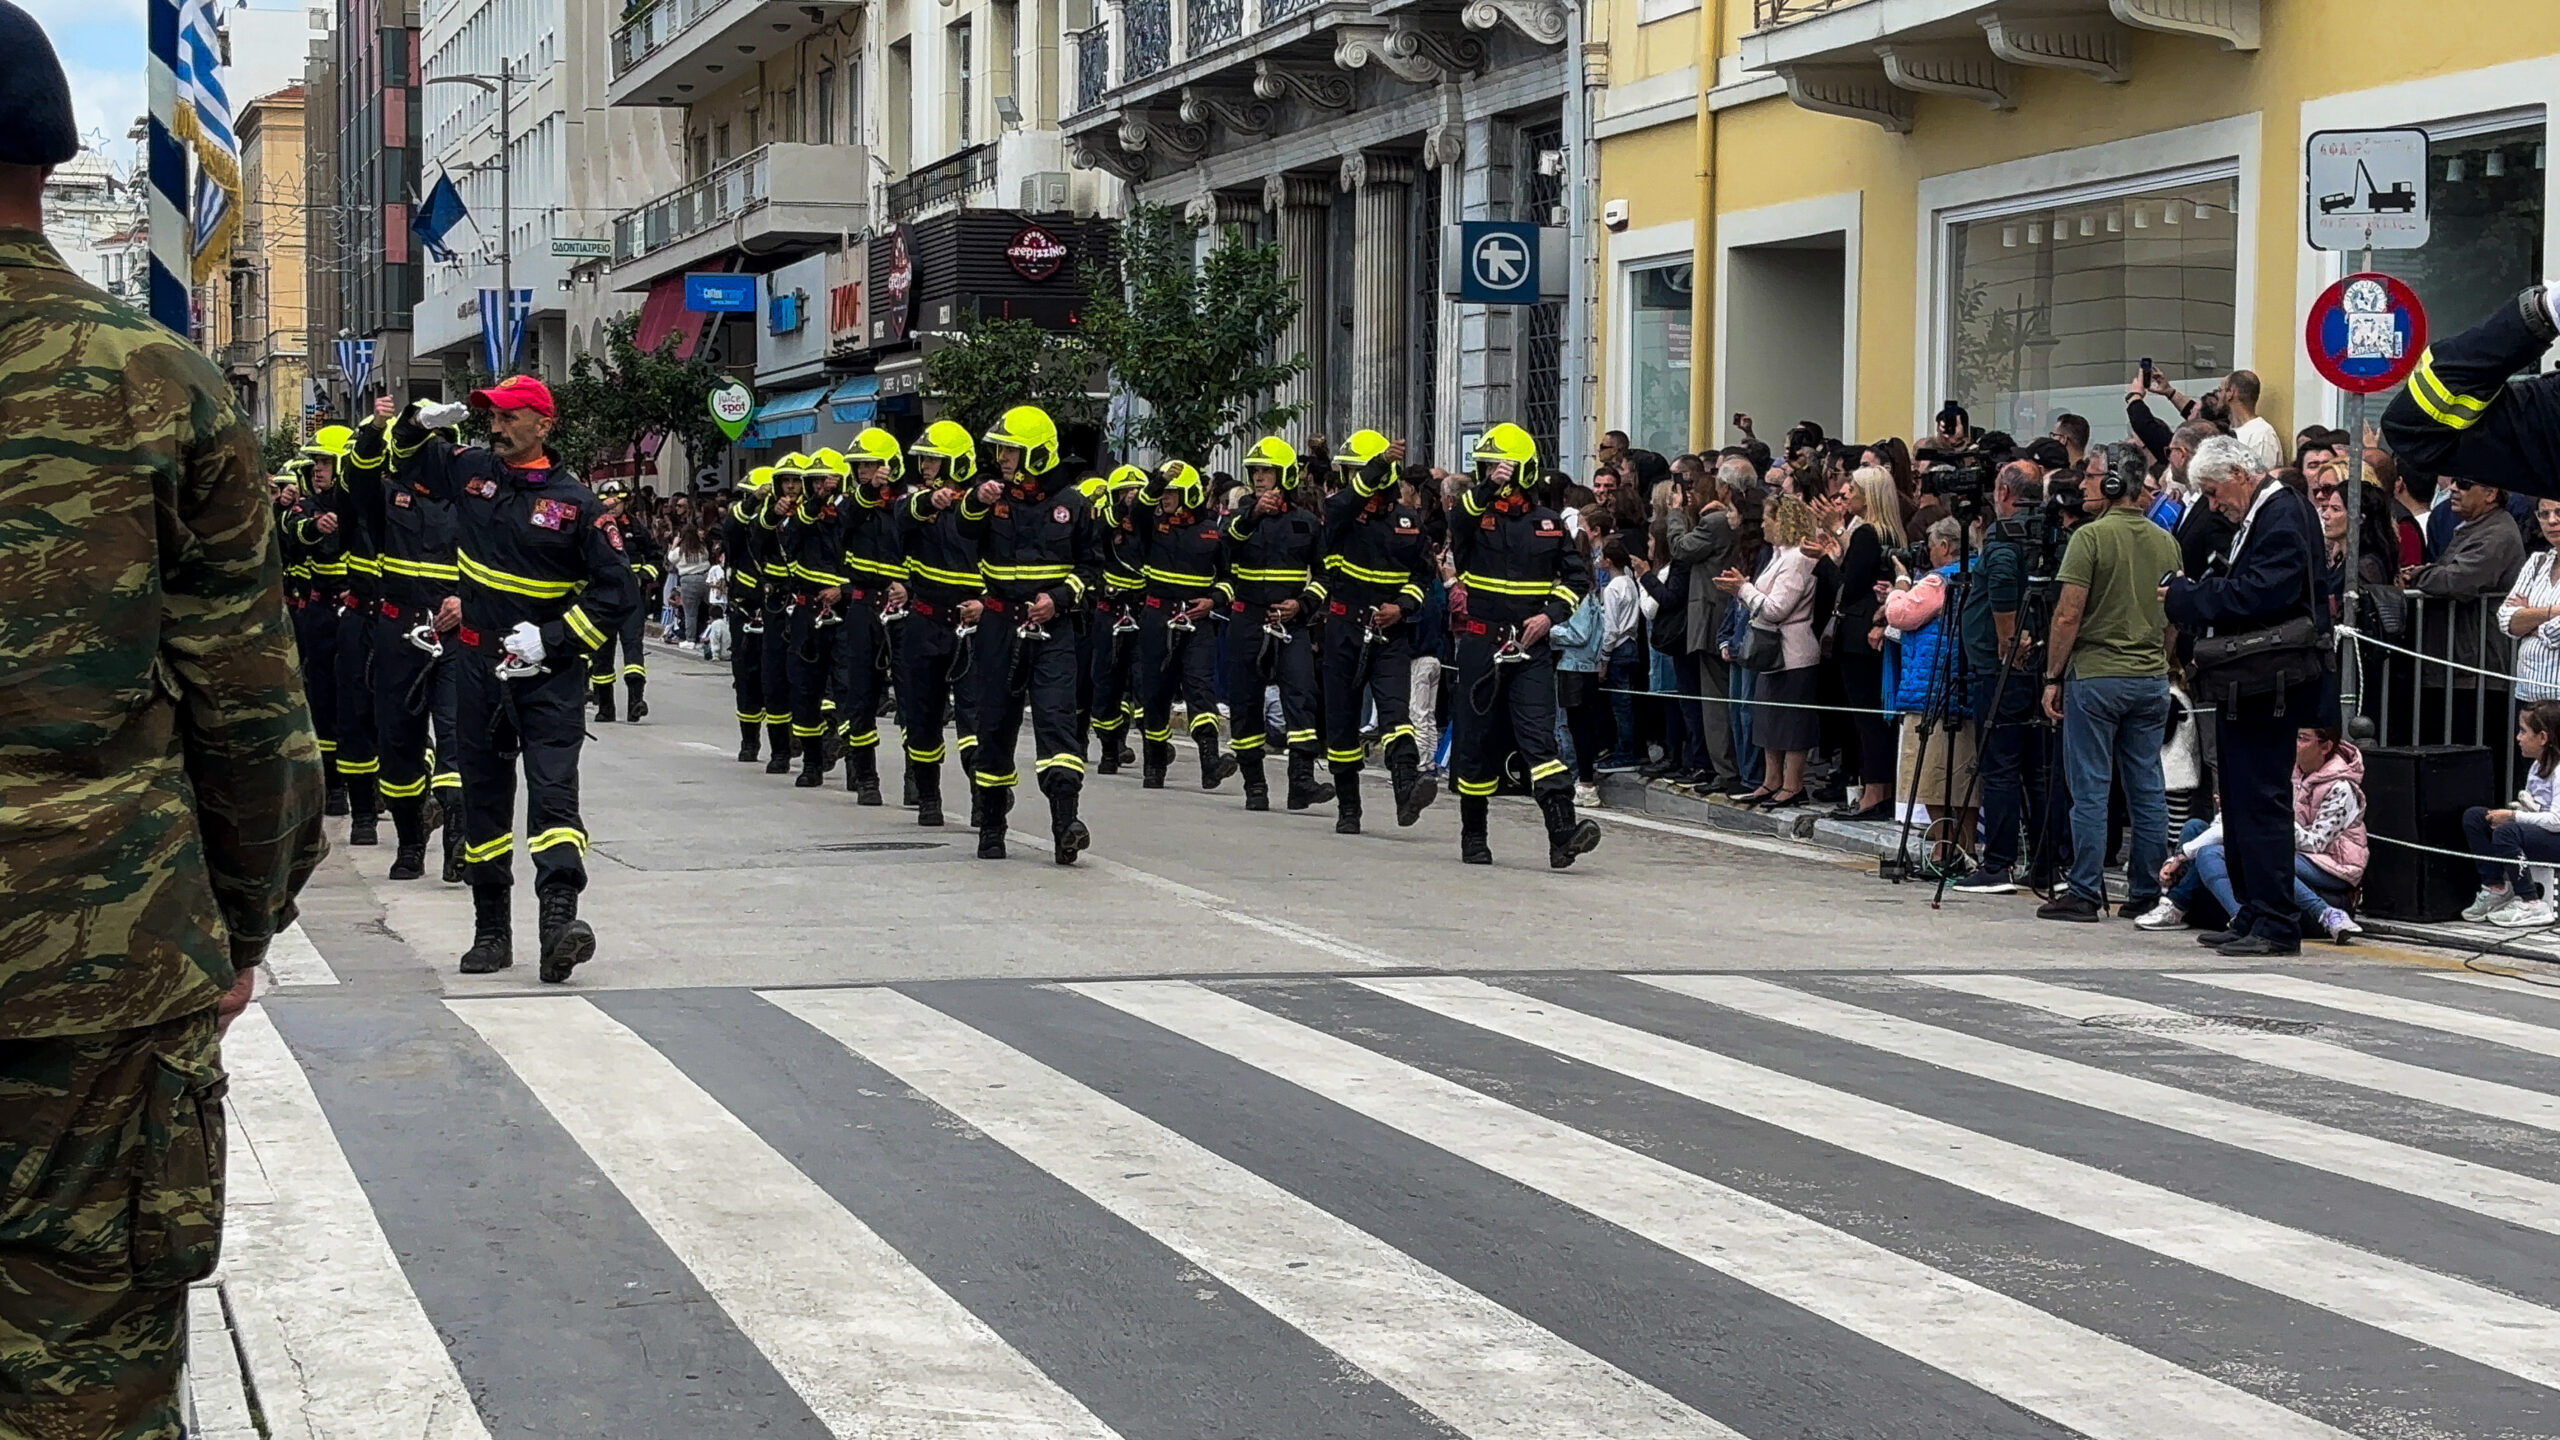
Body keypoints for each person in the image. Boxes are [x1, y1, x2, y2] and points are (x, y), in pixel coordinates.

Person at [1, 22, 329, 1425]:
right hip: (99, 967)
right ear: (56, 152)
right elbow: (252, 713)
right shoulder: (157, 383)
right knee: (83, 1370)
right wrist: (241, 928)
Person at [359, 378, 636, 980]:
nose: (497, 425)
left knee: (554, 796)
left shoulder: (578, 505)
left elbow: (619, 592)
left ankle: (559, 923)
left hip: (547, 676)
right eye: (490, 415)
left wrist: (555, 637)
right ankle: (492, 933)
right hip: (478, 666)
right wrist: (416, 422)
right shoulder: (472, 471)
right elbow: (401, 463)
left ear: (542, 424)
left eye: (509, 416)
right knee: (484, 801)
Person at [2164, 435, 2336, 956]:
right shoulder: (2261, 514)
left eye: (2216, 493)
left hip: (2273, 682)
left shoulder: (2283, 513)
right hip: (2252, 682)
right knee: (2237, 800)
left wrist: (2190, 597)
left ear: (2241, 473)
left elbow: (2265, 591)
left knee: (2261, 800)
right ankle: (2253, 910)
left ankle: (2276, 920)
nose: (2215, 506)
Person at [2039, 443, 2184, 923]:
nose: (2082, 484)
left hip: (2097, 676)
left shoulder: (2089, 538)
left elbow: (2067, 615)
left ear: (2115, 482)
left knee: (2091, 786)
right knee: (2147, 785)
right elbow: (2173, 616)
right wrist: (2158, 662)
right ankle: (2145, 890)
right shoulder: (2167, 540)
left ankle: (2084, 888)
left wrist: (2053, 675)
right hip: (2149, 679)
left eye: (2092, 475)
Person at [1449, 423, 1601, 867]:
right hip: (1481, 645)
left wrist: (1549, 616)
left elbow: (1577, 581)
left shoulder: (1549, 524)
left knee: (1540, 741)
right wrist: (1486, 486)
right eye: (1484, 468)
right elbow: (1459, 517)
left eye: (1496, 468)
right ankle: (1473, 835)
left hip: (1530, 649)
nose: (1489, 474)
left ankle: (1563, 835)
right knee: (1477, 742)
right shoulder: (1473, 517)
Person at [956, 406, 1100, 862]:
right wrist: (976, 501)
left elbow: (1092, 569)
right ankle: (992, 826)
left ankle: (1066, 825)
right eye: (1000, 449)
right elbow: (963, 530)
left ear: (1037, 454)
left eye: (1012, 451)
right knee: (994, 723)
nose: (1003, 458)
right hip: (1000, 624)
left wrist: (1058, 598)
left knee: (1058, 722)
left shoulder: (1074, 505)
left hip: (1053, 629)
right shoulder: (991, 498)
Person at [340, 399, 464, 882]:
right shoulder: (387, 495)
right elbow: (357, 475)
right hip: (398, 631)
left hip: (453, 634)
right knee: (398, 742)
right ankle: (411, 841)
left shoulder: (471, 503)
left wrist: (467, 601)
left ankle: (458, 840)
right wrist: (376, 427)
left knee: (455, 739)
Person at [1316, 430, 1438, 833]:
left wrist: (1400, 607)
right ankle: (1349, 808)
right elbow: (1347, 500)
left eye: (1354, 471)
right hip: (1343, 627)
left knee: (1395, 713)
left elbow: (1422, 578)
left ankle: (1406, 792)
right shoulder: (1340, 512)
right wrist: (1380, 462)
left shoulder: (1408, 522)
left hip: (1389, 632)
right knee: (1342, 718)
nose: (1347, 480)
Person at [1951, 463, 2062, 896]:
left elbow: (1999, 580)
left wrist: (2006, 639)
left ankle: (1998, 863)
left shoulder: (2005, 535)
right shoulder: (2049, 533)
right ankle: (2045, 864)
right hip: (2040, 665)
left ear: (2002, 492)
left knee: (2000, 767)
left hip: (2002, 668)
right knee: (2037, 769)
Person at [2147, 728, 2366, 944]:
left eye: (2303, 739)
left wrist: (2270, 816)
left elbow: (2316, 843)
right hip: (2287, 846)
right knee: (2195, 827)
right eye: (2294, 736)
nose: (2294, 744)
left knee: (2231, 854)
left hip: (2331, 863)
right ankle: (2180, 904)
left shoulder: (2342, 787)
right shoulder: (2288, 772)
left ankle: (2248, 917)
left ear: (2325, 747)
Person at [1222, 436, 1333, 812]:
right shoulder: (1240, 518)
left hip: (1290, 623)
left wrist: (1302, 604)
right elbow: (1226, 544)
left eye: (1266, 471)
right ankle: (1255, 785)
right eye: (1254, 471)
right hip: (1247, 619)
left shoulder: (1306, 523)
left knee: (1302, 695)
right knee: (1245, 701)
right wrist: (1252, 515)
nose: (1259, 478)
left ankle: (1301, 781)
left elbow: (1324, 576)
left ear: (1283, 475)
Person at [896, 421, 990, 827]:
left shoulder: (984, 504)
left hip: (972, 627)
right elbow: (903, 516)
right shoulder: (918, 502)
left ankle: (982, 798)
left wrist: (986, 603)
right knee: (923, 714)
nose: (927, 466)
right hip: (925, 620)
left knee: (976, 717)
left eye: (934, 459)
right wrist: (930, 503)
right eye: (925, 459)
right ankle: (928, 797)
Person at [1130, 459, 1236, 794]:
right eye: (1164, 493)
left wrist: (1214, 601)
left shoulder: (1212, 533)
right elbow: (1138, 512)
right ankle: (1154, 766)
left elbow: (1229, 579)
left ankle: (1210, 764)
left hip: (1197, 621)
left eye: (1173, 493)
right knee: (1156, 692)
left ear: (1189, 494)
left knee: (1200, 688)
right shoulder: (1152, 524)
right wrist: (1159, 480)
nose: (1166, 498)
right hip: (1157, 618)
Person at [2402, 477, 2526, 745]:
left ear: (2491, 493)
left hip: (2475, 668)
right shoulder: (2475, 527)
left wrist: (2420, 576)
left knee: (2468, 755)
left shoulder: (2497, 532)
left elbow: (2457, 580)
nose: (2453, 489)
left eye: (2464, 483)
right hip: (2457, 664)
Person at [1720, 494, 1823, 808]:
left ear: (1783, 520)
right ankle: (1771, 780)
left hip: (1792, 652)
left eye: (1768, 517)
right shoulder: (1779, 555)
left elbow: (1777, 608)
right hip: (1770, 652)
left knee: (1791, 722)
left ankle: (1793, 784)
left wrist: (1744, 589)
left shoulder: (1798, 559)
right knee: (1767, 717)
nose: (1763, 523)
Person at [828, 428, 911, 803]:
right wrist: (868, 494)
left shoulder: (909, 504)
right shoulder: (849, 504)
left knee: (913, 695)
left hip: (904, 606)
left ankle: (918, 779)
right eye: (858, 466)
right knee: (859, 693)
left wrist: (907, 585)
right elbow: (840, 526)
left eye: (869, 465)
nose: (862, 471)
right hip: (862, 605)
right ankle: (864, 775)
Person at [1666, 457, 1747, 793]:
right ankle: (1727, 767)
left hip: (1712, 613)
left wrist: (1674, 514)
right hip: (1725, 610)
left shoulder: (1715, 522)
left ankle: (1725, 770)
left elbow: (1680, 548)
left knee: (1715, 700)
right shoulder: (1729, 519)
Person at [778, 450, 849, 787]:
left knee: (847, 689)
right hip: (808, 612)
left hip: (847, 611)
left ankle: (856, 765)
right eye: (815, 481)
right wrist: (815, 502)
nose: (821, 486)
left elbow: (872, 562)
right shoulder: (800, 516)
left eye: (826, 480)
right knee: (805, 689)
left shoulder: (854, 514)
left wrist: (843, 590)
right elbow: (788, 539)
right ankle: (811, 763)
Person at [2459, 701, 2560, 927]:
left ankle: (2531, 902)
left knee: (2507, 832)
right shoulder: (2536, 767)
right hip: (2541, 831)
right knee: (2476, 817)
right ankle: (2495, 887)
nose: (2518, 737)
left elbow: (2557, 821)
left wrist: (2514, 817)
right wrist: (2515, 813)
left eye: (2524, 731)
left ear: (2543, 737)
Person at [720, 467, 785, 763]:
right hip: (744, 611)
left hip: (777, 611)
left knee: (778, 680)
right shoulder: (738, 532)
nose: (743, 503)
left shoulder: (781, 525)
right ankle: (749, 740)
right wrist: (751, 502)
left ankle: (785, 744)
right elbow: (730, 526)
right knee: (746, 677)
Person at [587, 477, 662, 723]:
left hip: (631, 598)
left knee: (633, 648)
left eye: (618, 501)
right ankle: (605, 706)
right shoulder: (592, 527)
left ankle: (635, 702)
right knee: (602, 653)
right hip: (603, 597)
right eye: (608, 502)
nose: (613, 506)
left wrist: (645, 575)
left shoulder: (636, 527)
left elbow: (655, 557)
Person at [2500, 499, 2560, 702]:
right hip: (2528, 692)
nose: (2552, 520)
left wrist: (2528, 621)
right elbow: (2505, 620)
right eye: (2544, 514)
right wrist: (2551, 613)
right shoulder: (2537, 561)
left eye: (2559, 512)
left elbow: (2557, 633)